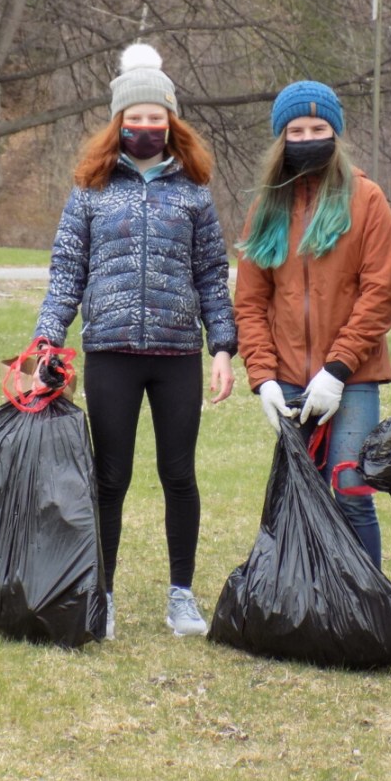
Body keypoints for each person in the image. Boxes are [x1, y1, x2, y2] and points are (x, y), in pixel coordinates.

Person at [34, 43, 237, 640]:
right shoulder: (90, 189)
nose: (145, 126)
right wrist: (47, 340)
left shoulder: (194, 190)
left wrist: (222, 347)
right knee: (110, 478)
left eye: (156, 117)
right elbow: (66, 270)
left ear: (170, 123)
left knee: (179, 475)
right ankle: (102, 594)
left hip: (177, 355)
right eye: (135, 117)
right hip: (111, 353)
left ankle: (182, 596)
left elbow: (211, 274)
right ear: (118, 122)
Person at [234, 80, 391, 569]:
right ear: (281, 137)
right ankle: (307, 599)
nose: (308, 138)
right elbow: (250, 302)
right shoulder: (266, 208)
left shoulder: (367, 199)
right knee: (299, 498)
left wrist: (337, 369)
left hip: (353, 378)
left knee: (351, 491)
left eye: (318, 129)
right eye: (296, 130)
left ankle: (365, 601)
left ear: (335, 133)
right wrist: (263, 377)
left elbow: (381, 292)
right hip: (287, 377)